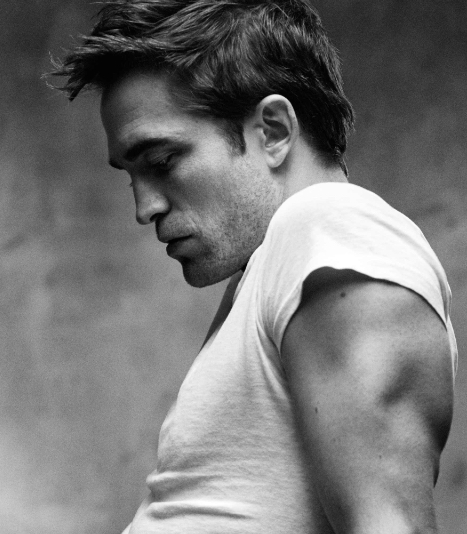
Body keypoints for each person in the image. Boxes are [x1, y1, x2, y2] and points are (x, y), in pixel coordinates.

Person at [49, 1, 458, 533]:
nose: (144, 207)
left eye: (162, 162)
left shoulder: (335, 230)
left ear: (273, 131)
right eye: (132, 176)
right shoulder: (277, 266)